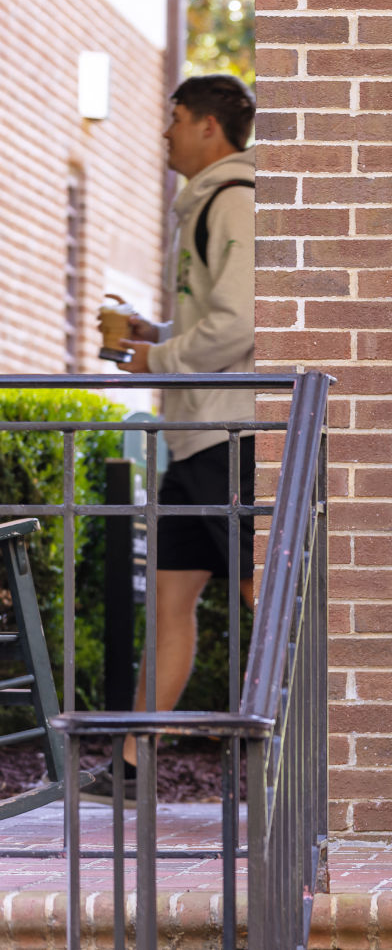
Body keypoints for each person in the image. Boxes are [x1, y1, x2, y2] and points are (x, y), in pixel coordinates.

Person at [80, 75, 257, 805]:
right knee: (171, 602)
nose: (165, 133)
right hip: (192, 442)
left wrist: (163, 357)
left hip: (228, 435)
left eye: (176, 119)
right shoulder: (202, 204)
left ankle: (321, 754)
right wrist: (158, 336)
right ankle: (130, 768)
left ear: (210, 128)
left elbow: (242, 322)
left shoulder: (234, 199)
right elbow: (215, 318)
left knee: (264, 590)